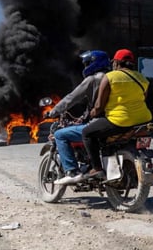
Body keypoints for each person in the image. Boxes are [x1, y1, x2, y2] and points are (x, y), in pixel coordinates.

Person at [79, 49, 153, 181]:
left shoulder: (110, 77)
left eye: (114, 62)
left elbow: (99, 105)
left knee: (87, 133)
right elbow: (143, 98)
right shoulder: (142, 78)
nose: (113, 64)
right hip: (143, 120)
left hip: (120, 121)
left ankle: (96, 168)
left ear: (117, 62)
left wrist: (92, 114)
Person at [47, 50, 111, 185]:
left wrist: (53, 111)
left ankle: (72, 171)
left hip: (100, 122)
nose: (85, 66)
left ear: (94, 63)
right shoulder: (113, 77)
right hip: (115, 120)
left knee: (60, 134)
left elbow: (72, 98)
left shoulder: (92, 79)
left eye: (87, 63)